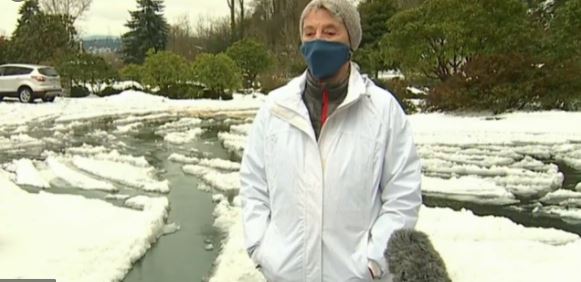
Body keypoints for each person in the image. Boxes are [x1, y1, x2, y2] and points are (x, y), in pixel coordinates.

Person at [240, 0, 422, 281]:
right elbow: (254, 185)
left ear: (351, 41)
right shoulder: (274, 108)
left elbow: (402, 196)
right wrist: (261, 248)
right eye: (310, 33)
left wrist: (374, 262)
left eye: (329, 32)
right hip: (285, 274)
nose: (318, 41)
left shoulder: (383, 111)